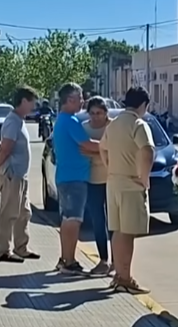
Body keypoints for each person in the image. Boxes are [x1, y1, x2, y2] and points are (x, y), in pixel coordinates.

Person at [101, 87, 155, 293]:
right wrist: (145, 177)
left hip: (113, 182)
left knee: (117, 230)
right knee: (128, 233)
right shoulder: (138, 124)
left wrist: (110, 167)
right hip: (131, 184)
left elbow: (102, 148)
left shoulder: (113, 125)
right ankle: (125, 277)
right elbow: (148, 151)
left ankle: (119, 274)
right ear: (143, 105)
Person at [50, 83, 97, 273]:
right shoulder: (70, 121)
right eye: (80, 98)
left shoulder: (62, 120)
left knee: (67, 219)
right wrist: (111, 146)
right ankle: (69, 261)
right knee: (73, 220)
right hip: (74, 179)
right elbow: (88, 144)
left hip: (66, 177)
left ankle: (65, 258)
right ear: (70, 100)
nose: (82, 101)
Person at [0, 87, 40, 263]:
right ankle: (3, 250)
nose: (35, 105)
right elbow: (6, 147)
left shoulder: (20, 121)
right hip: (12, 175)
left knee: (23, 213)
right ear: (24, 101)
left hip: (21, 175)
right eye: (32, 101)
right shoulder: (12, 121)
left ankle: (22, 247)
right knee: (9, 213)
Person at [82, 96, 112, 275]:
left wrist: (95, 152)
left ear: (105, 112)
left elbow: (115, 151)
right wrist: (101, 151)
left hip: (111, 178)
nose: (96, 117)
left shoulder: (113, 127)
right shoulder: (84, 128)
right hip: (92, 180)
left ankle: (117, 260)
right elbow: (81, 150)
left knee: (115, 222)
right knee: (97, 221)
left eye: (99, 113)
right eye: (92, 113)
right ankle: (103, 260)